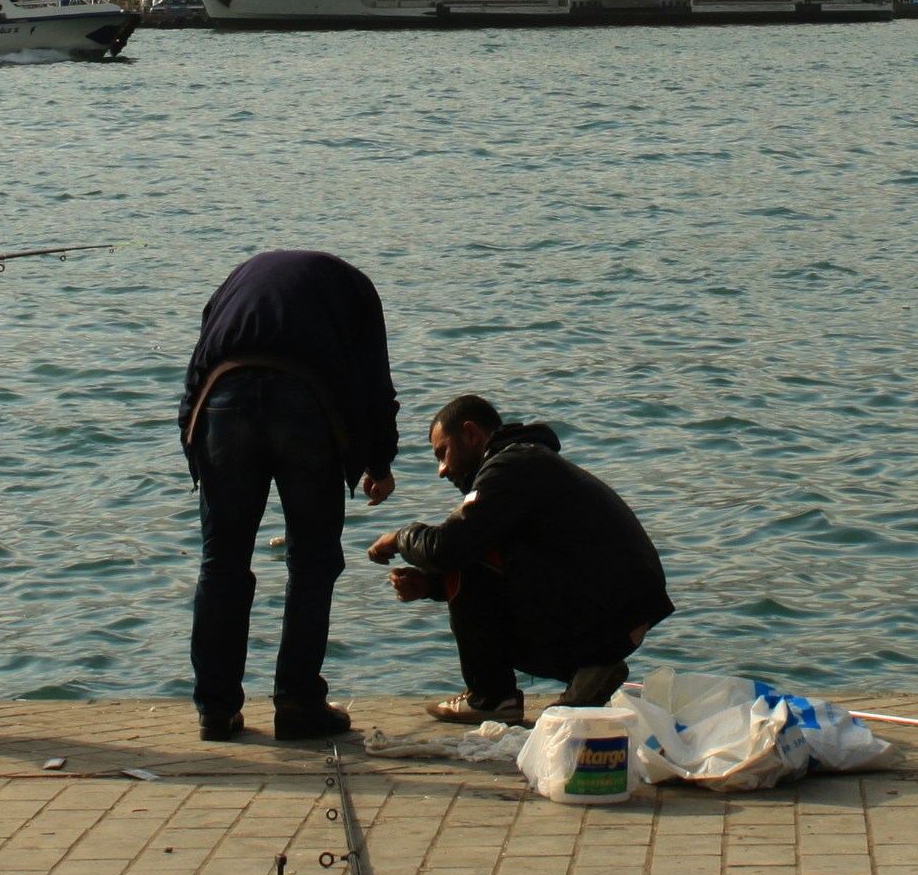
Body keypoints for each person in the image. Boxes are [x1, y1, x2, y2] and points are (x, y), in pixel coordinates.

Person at [180, 251, 401, 743]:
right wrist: (380, 463)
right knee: (312, 562)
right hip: (307, 407)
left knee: (221, 563)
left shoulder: (233, 283)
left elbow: (197, 367)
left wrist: (193, 449)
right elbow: (373, 384)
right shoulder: (357, 290)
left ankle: (216, 712)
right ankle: (298, 704)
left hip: (222, 401)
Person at [369, 396, 671, 725]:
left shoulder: (511, 467)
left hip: (607, 614)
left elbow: (449, 548)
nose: (442, 470)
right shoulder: (527, 464)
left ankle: (492, 697)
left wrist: (401, 537)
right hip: (616, 613)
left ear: (470, 434)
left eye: (443, 453)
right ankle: (591, 668)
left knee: (461, 550)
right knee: (470, 550)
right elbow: (506, 567)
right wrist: (431, 585)